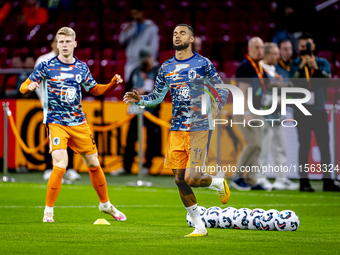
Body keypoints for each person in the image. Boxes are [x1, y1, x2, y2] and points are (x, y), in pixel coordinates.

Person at [123, 24, 230, 237]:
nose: (177, 36)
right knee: (179, 179)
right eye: (174, 33)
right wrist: (140, 99)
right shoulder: (166, 67)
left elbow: (221, 90)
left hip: (199, 126)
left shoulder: (203, 64)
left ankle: (217, 181)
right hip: (177, 129)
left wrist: (215, 111)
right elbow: (157, 97)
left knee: (191, 178)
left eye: (182, 33)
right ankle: (200, 226)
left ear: (191, 39)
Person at [19, 27, 127, 222]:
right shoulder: (46, 66)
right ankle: (48, 211)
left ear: (75, 43)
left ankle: (105, 204)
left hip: (78, 122)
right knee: (60, 164)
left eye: (68, 41)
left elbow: (94, 90)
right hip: (56, 121)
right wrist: (30, 86)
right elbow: (22, 87)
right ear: (56, 44)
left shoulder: (82, 67)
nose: (64, 45)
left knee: (94, 164)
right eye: (61, 42)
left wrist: (111, 85)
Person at [290, 32, 340, 192]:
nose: (305, 49)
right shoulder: (295, 64)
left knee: (324, 146)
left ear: (314, 47)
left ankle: (327, 181)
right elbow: (292, 82)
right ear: (299, 47)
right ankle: (304, 182)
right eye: (303, 46)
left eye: (308, 46)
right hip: (301, 111)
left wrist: (315, 68)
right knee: (303, 146)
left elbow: (328, 79)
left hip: (318, 110)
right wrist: (301, 67)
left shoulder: (322, 62)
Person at [34, 35, 80, 182]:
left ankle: (70, 169)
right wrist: (44, 99)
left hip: (68, 107)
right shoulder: (43, 60)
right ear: (53, 44)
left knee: (70, 137)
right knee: (51, 138)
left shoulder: (72, 60)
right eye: (60, 41)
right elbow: (35, 82)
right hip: (50, 107)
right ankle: (49, 168)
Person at [257, 42, 298, 191]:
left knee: (280, 147)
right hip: (264, 114)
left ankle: (281, 178)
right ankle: (260, 178)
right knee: (263, 148)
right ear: (267, 55)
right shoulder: (260, 70)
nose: (278, 56)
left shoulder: (275, 69)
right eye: (275, 53)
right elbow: (263, 91)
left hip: (277, 114)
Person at [112, 51, 161, 175]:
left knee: (151, 139)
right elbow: (126, 88)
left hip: (151, 110)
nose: (144, 61)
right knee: (130, 138)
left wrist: (145, 93)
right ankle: (126, 166)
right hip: (135, 110)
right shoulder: (135, 71)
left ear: (150, 57)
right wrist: (133, 93)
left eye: (146, 58)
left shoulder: (157, 71)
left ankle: (147, 166)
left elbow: (160, 91)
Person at [231, 37, 268, 191]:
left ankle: (252, 179)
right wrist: (246, 112)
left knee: (258, 147)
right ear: (250, 49)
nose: (260, 51)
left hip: (256, 110)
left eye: (262, 48)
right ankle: (237, 177)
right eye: (257, 47)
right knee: (254, 144)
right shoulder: (246, 66)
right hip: (245, 110)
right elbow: (242, 92)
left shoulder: (260, 67)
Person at [118, 2, 159, 82]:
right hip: (131, 61)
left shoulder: (150, 26)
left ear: (142, 12)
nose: (135, 16)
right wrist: (126, 30)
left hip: (144, 62)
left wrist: (150, 61)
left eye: (136, 13)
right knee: (129, 86)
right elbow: (121, 40)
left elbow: (154, 46)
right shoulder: (130, 26)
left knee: (142, 88)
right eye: (132, 14)